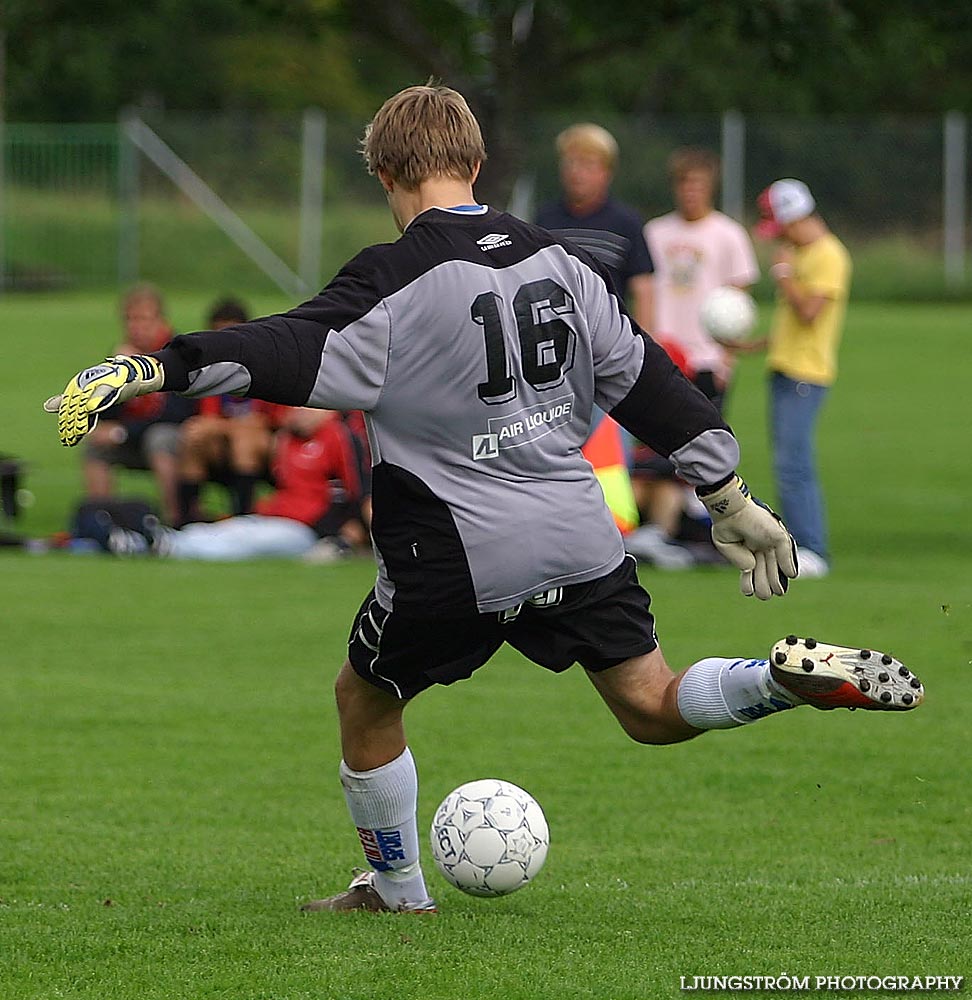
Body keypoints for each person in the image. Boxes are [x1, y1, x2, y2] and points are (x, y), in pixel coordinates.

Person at [45, 85, 921, 916]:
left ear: (385, 175)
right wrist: (726, 493)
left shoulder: (390, 280)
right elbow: (647, 375)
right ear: (477, 159)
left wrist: (153, 365)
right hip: (581, 536)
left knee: (367, 698)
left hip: (458, 556)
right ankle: (774, 681)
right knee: (651, 704)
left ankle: (396, 891)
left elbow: (280, 347)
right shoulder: (563, 261)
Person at [626, 148, 761, 567]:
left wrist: (727, 361)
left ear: (710, 187)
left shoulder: (728, 235)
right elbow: (643, 290)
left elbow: (737, 306)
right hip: (663, 358)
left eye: (698, 184)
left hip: (705, 360)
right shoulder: (655, 232)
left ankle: (689, 521)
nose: (691, 191)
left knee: (700, 445)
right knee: (655, 445)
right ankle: (662, 526)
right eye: (685, 183)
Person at [108, 407, 366, 562]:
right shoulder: (287, 439)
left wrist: (337, 536)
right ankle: (154, 540)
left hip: (306, 529)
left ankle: (165, 545)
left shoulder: (339, 437)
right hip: (274, 515)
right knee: (234, 528)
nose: (295, 412)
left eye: (305, 407)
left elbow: (357, 491)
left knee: (244, 542)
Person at [754, 178, 852, 579]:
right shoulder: (802, 253)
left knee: (795, 464)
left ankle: (812, 548)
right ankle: (798, 544)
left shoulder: (828, 255)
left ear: (795, 217)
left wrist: (784, 276)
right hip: (786, 368)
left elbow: (810, 312)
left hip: (805, 374)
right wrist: (751, 345)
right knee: (786, 463)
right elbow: (791, 326)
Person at [81, 284, 196, 525]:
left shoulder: (177, 354)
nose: (136, 327)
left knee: (160, 438)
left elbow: (176, 413)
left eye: (143, 319)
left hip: (176, 438)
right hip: (134, 436)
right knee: (95, 444)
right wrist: (119, 373)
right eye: (130, 320)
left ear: (161, 321)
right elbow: (105, 412)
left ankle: (175, 521)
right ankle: (102, 520)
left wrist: (122, 432)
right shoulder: (125, 354)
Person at [175, 298, 287, 525]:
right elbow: (208, 420)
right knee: (192, 435)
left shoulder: (266, 366)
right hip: (222, 443)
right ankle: (186, 522)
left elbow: (275, 420)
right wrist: (230, 426)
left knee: (244, 438)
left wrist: (235, 426)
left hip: (265, 447)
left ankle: (242, 521)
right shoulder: (208, 371)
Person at [536, 123, 654, 331]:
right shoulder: (545, 221)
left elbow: (643, 288)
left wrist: (645, 345)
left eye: (587, 165)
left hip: (608, 342)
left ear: (606, 172)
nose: (576, 172)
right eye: (570, 163)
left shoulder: (626, 223)